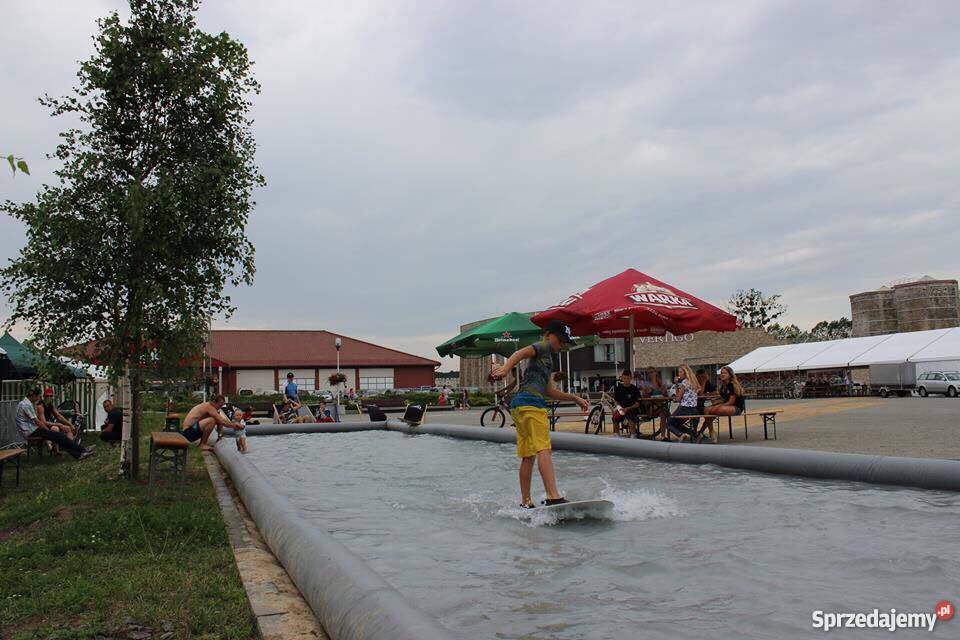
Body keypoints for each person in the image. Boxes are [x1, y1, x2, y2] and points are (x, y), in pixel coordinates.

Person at [491, 320, 589, 509]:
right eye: (559, 340)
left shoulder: (548, 359)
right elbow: (521, 352)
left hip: (520, 405)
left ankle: (526, 501)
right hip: (531, 405)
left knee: (529, 455)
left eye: (564, 343)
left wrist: (574, 398)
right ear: (547, 335)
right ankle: (553, 496)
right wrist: (505, 368)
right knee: (544, 448)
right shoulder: (543, 346)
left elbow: (549, 391)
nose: (561, 345)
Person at [16, 388, 94, 460]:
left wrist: (69, 425)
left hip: (32, 429)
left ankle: (81, 451)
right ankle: (80, 452)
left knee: (60, 436)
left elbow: (58, 416)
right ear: (34, 395)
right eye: (38, 396)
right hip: (30, 431)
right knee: (58, 436)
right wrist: (48, 431)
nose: (38, 399)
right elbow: (38, 422)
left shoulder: (26, 403)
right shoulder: (27, 405)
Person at [698, 366, 746, 442]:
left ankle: (701, 432)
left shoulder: (732, 385)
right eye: (721, 373)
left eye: (725, 373)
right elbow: (723, 399)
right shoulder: (723, 386)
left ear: (730, 375)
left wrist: (717, 406)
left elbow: (731, 402)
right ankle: (712, 433)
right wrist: (714, 403)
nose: (722, 375)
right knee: (706, 409)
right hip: (727, 406)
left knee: (717, 409)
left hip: (736, 407)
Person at [666, 365, 702, 441]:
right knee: (678, 425)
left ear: (685, 373)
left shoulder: (684, 383)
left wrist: (676, 384)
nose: (679, 374)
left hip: (684, 409)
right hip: (694, 410)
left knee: (669, 423)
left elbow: (678, 398)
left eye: (680, 372)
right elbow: (699, 390)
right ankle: (696, 434)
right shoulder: (694, 382)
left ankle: (681, 435)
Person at [611, 369, 642, 436]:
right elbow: (616, 401)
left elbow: (637, 404)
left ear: (631, 378)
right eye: (624, 378)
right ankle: (617, 435)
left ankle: (633, 435)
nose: (626, 380)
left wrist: (627, 408)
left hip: (632, 409)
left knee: (631, 418)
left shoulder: (634, 389)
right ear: (622, 378)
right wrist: (619, 408)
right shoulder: (618, 388)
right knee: (614, 417)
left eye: (628, 378)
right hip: (622, 409)